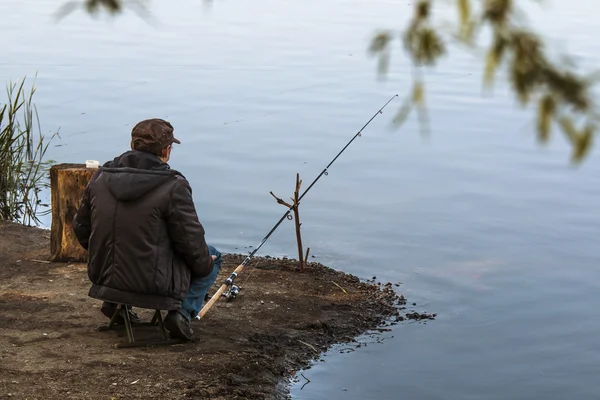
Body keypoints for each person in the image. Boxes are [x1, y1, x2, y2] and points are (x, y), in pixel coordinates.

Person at [72, 118, 222, 341]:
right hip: (155, 284)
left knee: (124, 245)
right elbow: (191, 243)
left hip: (105, 275)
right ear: (166, 150)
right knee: (212, 256)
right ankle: (181, 313)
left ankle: (114, 304)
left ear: (132, 146)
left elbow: (81, 227)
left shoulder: (101, 176)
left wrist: (102, 255)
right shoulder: (174, 186)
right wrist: (205, 265)